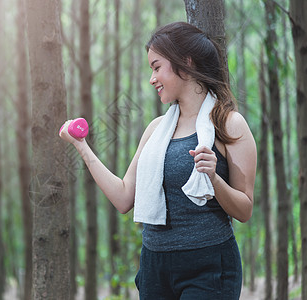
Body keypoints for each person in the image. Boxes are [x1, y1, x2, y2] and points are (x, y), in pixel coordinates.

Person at [59, 21, 256, 300]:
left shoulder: (229, 124)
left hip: (209, 268)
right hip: (154, 268)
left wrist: (214, 178)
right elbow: (124, 197)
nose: (152, 78)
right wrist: (82, 146)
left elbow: (245, 210)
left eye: (156, 66)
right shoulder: (155, 130)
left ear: (185, 63)